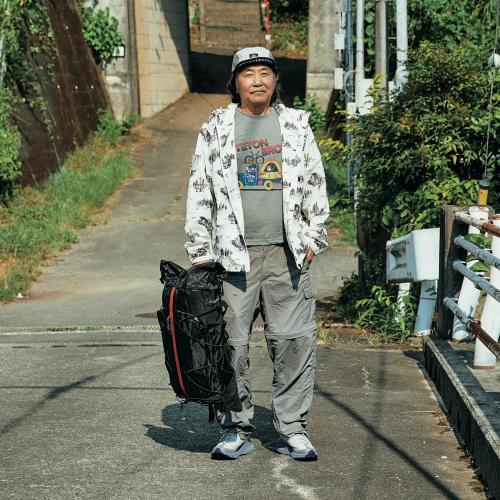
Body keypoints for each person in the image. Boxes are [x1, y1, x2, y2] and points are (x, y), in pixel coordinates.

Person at [184, 47, 329, 460]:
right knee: (230, 345)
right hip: (232, 258)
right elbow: (199, 187)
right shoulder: (216, 126)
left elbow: (315, 182)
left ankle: (293, 429)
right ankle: (234, 428)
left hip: (287, 255)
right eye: (248, 74)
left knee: (293, 342)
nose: (258, 80)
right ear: (236, 82)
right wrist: (200, 250)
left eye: (265, 72)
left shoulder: (296, 124)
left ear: (275, 80)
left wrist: (314, 239)